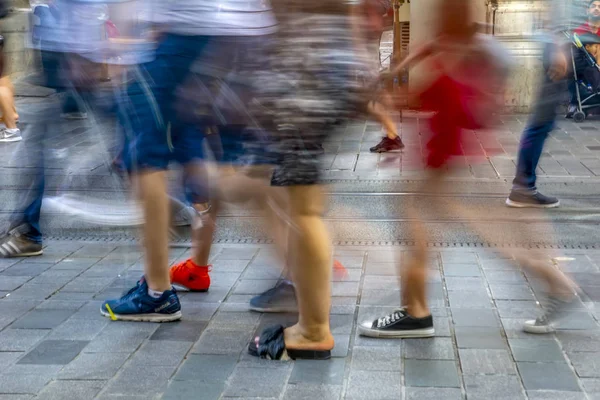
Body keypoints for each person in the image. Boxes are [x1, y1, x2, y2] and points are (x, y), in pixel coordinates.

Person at [358, 0, 579, 339]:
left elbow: (444, 100)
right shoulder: (462, 45)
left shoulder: (461, 54)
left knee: (493, 237)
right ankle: (416, 311)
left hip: (458, 164)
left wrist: (399, 93)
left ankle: (418, 314)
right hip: (462, 160)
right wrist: (399, 76)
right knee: (422, 221)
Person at [100, 0, 277, 321]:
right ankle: (297, 263)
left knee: (145, 158)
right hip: (240, 37)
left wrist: (126, 40)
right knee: (217, 159)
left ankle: (157, 292)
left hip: (184, 36)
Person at [506, 0, 586, 208]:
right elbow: (555, 11)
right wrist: (558, 48)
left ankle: (523, 186)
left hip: (559, 48)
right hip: (556, 49)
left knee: (544, 122)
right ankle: (522, 188)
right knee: (540, 123)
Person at [566, 0, 600, 117]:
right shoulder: (579, 32)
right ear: (587, 10)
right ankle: (574, 101)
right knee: (574, 70)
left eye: (599, 7)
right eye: (594, 6)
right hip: (585, 67)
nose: (597, 9)